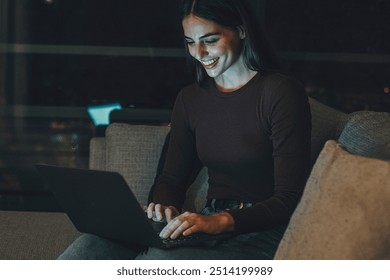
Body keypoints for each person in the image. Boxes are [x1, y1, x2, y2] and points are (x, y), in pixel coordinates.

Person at [58, 0, 311, 260]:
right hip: (208, 222)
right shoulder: (191, 99)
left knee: (159, 261)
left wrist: (220, 221)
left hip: (261, 231)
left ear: (241, 30)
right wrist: (163, 207)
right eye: (190, 42)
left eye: (210, 40)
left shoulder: (279, 92)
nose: (199, 53)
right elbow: (170, 180)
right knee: (89, 248)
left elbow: (289, 199)